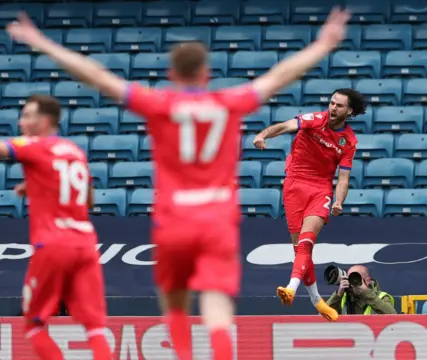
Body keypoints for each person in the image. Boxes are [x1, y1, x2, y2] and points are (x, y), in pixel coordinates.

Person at [6, 8, 351, 360]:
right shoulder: (227, 102)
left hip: (173, 219)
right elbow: (278, 76)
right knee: (216, 301)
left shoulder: (159, 103)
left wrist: (41, 42)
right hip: (216, 218)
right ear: (206, 74)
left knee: (176, 306)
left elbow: (98, 76)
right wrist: (323, 45)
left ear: (171, 74)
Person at [0, 95, 111, 360]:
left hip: (53, 244)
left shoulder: (33, 145)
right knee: (95, 328)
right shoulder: (75, 151)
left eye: (27, 115)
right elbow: (88, 197)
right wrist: (37, 187)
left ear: (45, 120)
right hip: (85, 244)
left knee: (34, 324)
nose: (21, 121)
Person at [252, 88, 366, 321]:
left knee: (306, 244)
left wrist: (339, 201)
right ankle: (317, 300)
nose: (333, 107)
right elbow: (283, 127)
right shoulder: (313, 120)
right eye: (332, 102)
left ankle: (291, 289)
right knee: (300, 251)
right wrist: (263, 135)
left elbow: (343, 178)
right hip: (294, 186)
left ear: (349, 111)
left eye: (339, 105)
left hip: (320, 189)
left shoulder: (349, 141)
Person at [326, 265, 397, 315]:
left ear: (368, 280)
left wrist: (366, 293)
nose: (353, 282)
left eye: (356, 277)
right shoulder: (343, 297)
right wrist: (338, 295)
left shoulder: (382, 297)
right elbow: (322, 317)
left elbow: (392, 315)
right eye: (350, 278)